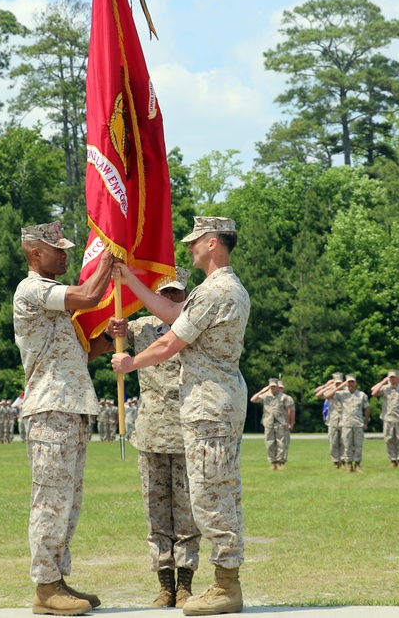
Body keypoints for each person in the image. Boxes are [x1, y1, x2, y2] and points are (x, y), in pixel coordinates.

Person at [111, 216, 250, 617]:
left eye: (195, 241)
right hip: (214, 403)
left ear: (212, 242)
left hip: (210, 407)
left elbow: (169, 342)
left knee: (211, 496)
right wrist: (131, 281)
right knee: (215, 492)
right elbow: (172, 313)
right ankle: (225, 581)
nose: (190, 247)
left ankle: (227, 585)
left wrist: (130, 363)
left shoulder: (216, 290)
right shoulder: (219, 288)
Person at [13, 219, 115, 616]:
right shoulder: (33, 289)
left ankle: (57, 579)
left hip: (71, 408)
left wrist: (108, 340)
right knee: (50, 502)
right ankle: (45, 587)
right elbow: (89, 295)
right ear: (36, 252)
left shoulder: (54, 299)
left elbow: (80, 356)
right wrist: (109, 258)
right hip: (50, 410)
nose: (65, 255)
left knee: (68, 504)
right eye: (58, 250)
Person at [111, 266, 201, 608]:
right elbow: (105, 343)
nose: (169, 297)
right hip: (150, 433)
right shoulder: (140, 328)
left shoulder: (194, 325)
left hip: (187, 431)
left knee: (188, 514)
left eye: (175, 292)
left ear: (186, 295)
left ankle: (185, 584)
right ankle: (165, 584)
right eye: (164, 292)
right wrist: (113, 331)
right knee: (156, 513)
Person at [250, 378, 295, 470]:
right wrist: (262, 390)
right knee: (269, 442)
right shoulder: (266, 396)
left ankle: (280, 462)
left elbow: (289, 410)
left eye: (274, 386)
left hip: (281, 422)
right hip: (268, 422)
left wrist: (289, 423)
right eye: (271, 386)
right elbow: (253, 399)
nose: (272, 388)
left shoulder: (284, 397)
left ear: (278, 387)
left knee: (281, 443)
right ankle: (273, 462)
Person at [371, 370, 399, 467]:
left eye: (394, 377)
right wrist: (383, 381)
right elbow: (374, 393)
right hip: (388, 418)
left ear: (398, 378)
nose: (392, 379)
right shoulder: (385, 388)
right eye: (390, 377)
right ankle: (393, 460)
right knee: (389, 439)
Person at [331, 375, 370, 473]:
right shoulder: (341, 394)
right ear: (346, 383)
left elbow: (367, 409)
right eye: (349, 382)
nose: (351, 384)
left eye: (352, 382)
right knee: (347, 445)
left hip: (358, 424)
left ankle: (357, 465)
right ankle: (349, 465)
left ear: (356, 383)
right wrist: (340, 386)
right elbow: (328, 395)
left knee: (358, 445)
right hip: (346, 424)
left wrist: (366, 422)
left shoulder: (362, 395)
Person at [315, 372, 345, 467]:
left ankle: (344, 461)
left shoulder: (347, 390)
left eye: (339, 382)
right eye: (336, 382)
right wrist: (328, 386)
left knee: (344, 441)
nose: (338, 384)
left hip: (345, 419)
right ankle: (336, 462)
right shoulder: (330, 391)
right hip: (333, 419)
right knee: (333, 441)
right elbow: (318, 394)